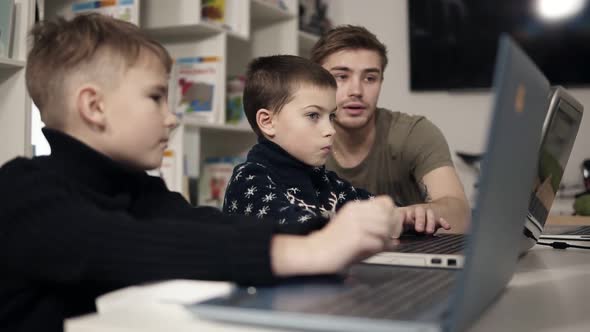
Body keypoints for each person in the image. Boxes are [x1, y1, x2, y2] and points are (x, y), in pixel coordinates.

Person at [0, 15, 404, 332]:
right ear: (94, 106)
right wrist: (309, 251)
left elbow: (213, 226)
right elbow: (122, 246)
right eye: (156, 97)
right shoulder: (20, 191)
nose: (172, 118)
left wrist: (327, 236)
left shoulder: (138, 191)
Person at [223, 55, 444, 235]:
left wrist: (405, 215)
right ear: (267, 122)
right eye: (313, 115)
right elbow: (301, 231)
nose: (331, 130)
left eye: (331, 117)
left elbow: (373, 207)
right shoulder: (250, 180)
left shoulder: (323, 179)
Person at [310, 25, 471, 233]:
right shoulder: (298, 143)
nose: (357, 91)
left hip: (408, 260)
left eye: (370, 78)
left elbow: (461, 215)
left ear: (381, 82)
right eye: (341, 76)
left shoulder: (413, 133)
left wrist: (414, 213)